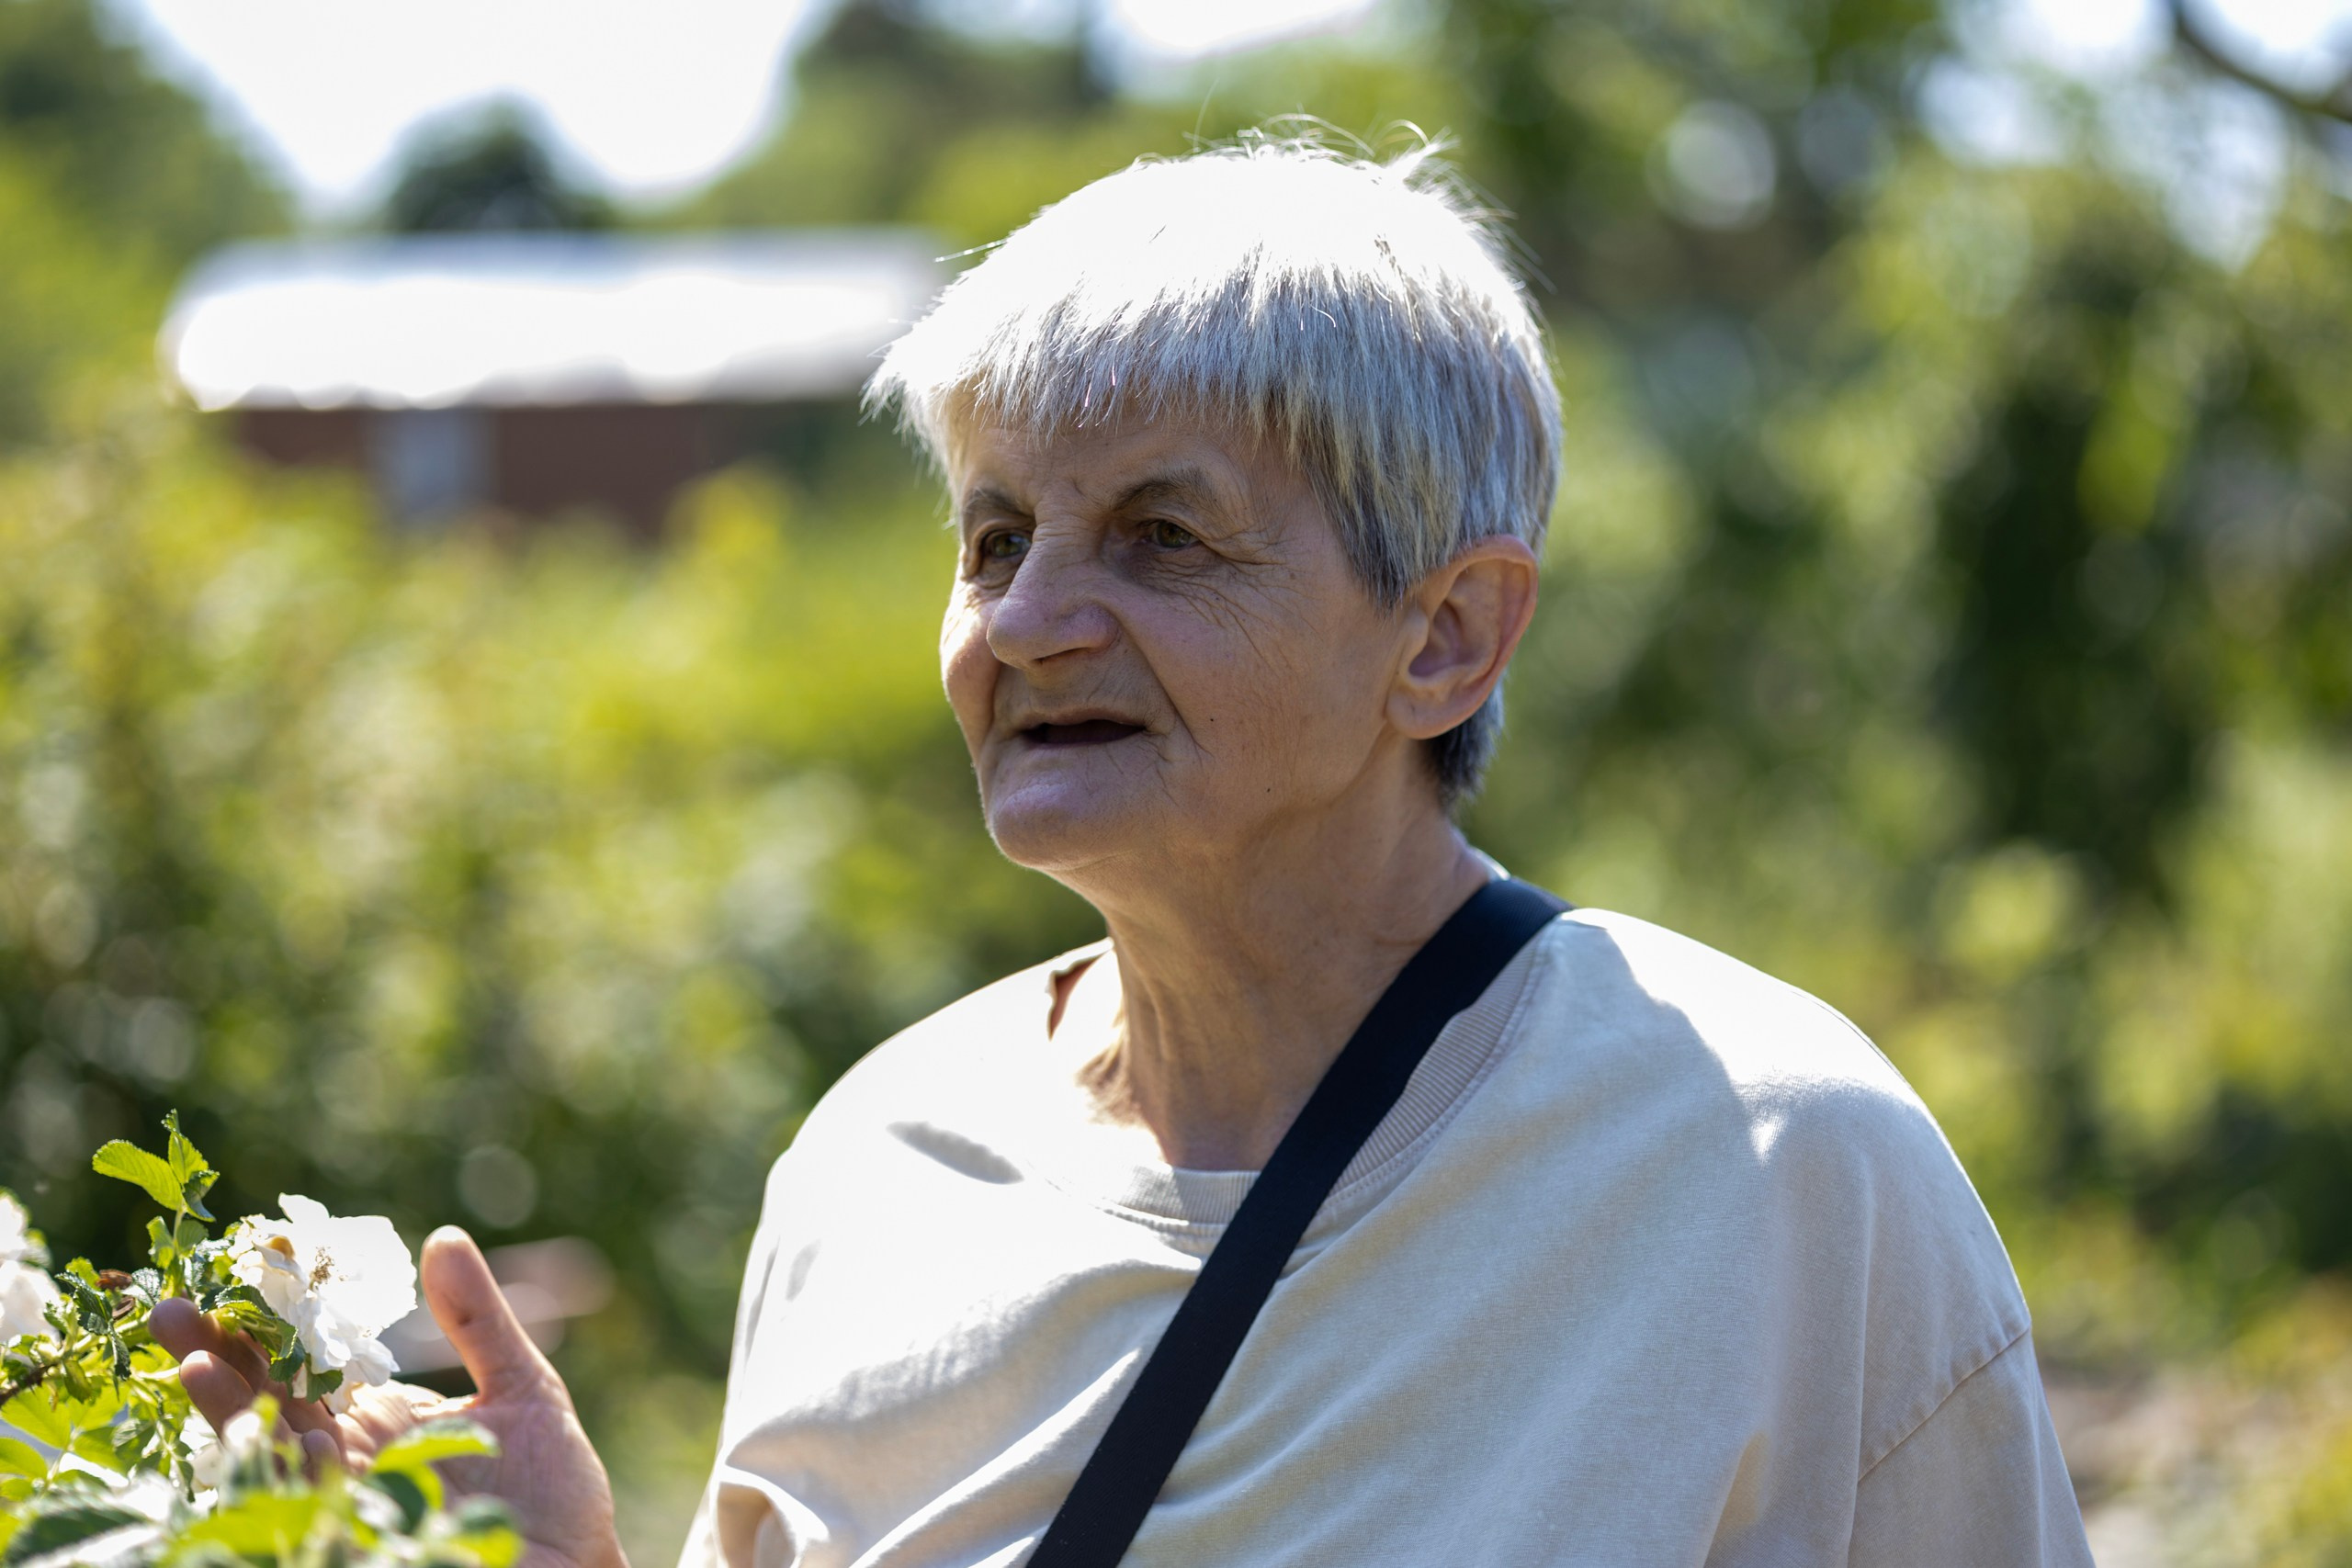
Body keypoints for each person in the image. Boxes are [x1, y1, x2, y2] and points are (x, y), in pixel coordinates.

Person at [157, 135, 2096, 1567]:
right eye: (993, 537)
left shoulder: (1771, 1166)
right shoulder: (873, 1165)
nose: (1022, 621)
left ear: (1444, 635)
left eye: (1161, 537)